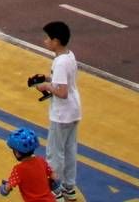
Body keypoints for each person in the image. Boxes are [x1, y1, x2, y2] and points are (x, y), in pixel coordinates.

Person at [33, 21, 80, 201]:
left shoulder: (59, 62)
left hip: (61, 115)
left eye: (48, 38)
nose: (45, 41)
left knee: (54, 153)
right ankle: (69, 187)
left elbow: (61, 91)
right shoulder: (69, 56)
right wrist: (48, 77)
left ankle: (54, 188)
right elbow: (65, 81)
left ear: (56, 41)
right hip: (74, 111)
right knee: (69, 151)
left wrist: (46, 85)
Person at [0, 127, 56, 202]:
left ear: (17, 153)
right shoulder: (41, 161)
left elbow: (6, 190)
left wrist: (4, 188)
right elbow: (54, 177)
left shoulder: (18, 169)